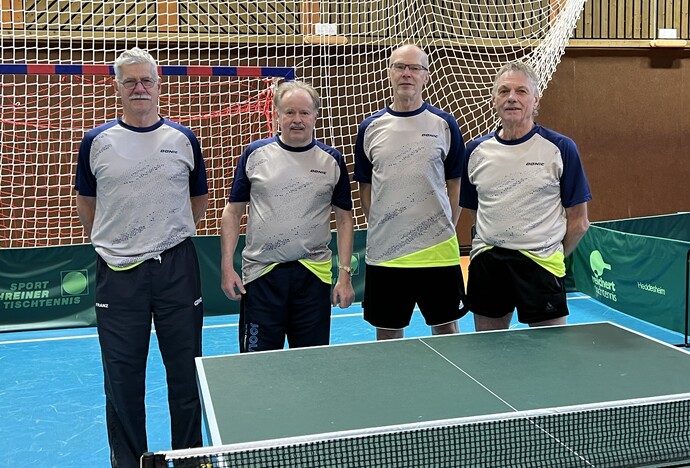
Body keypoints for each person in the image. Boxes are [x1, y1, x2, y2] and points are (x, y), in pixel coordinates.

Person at [74, 47, 207, 467]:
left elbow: (198, 200)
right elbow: (87, 204)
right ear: (117, 87)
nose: (139, 88)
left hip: (177, 270)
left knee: (185, 372)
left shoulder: (183, 139)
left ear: (158, 85)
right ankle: (130, 461)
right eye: (129, 81)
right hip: (118, 275)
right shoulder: (96, 142)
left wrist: (166, 236)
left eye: (146, 80)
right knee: (122, 379)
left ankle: (189, 457)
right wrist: (118, 242)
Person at [220, 80, 355, 352]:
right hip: (261, 276)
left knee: (311, 363)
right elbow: (233, 212)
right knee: (258, 364)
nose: (297, 119)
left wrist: (344, 276)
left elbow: (344, 219)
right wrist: (226, 267)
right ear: (277, 114)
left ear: (315, 115)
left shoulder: (332, 160)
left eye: (304, 112)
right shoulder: (255, 154)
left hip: (313, 276)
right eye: (290, 112)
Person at [459, 60, 592, 332]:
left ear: (535, 100)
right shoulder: (474, 151)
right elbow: (477, 212)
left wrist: (550, 254)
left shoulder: (560, 148)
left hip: (541, 267)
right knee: (488, 350)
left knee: (548, 352)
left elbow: (579, 222)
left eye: (521, 91)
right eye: (504, 91)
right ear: (493, 100)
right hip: (489, 265)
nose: (512, 98)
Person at [353, 43, 467, 340]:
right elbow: (365, 189)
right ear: (389, 73)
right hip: (386, 254)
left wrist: (445, 227)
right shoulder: (370, 128)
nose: (407, 73)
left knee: (447, 331)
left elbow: (456, 185)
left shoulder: (445, 124)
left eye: (415, 68)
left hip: (437, 253)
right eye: (400, 67)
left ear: (426, 76)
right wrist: (384, 226)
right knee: (388, 335)